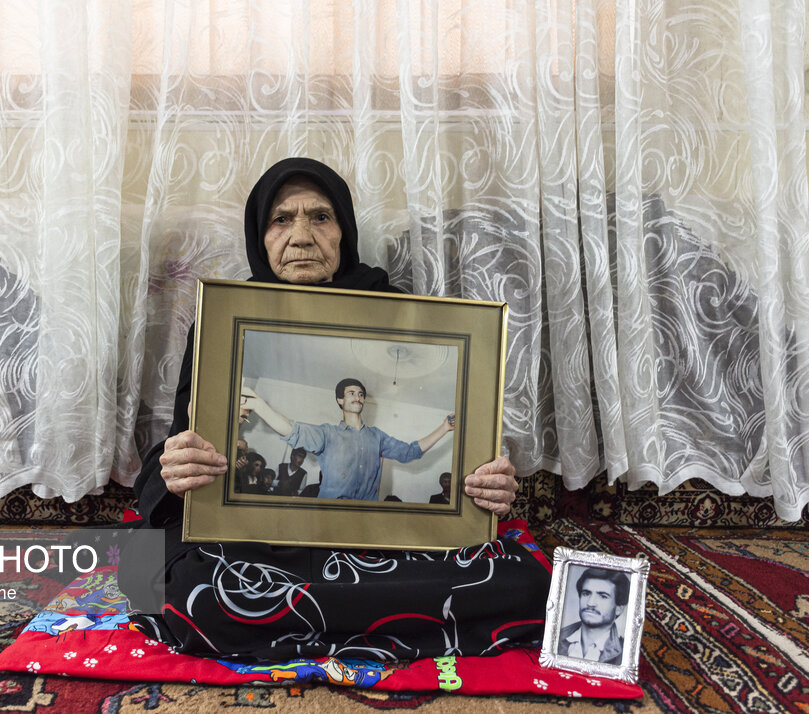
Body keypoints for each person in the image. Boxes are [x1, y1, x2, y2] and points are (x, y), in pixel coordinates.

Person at [120, 157, 550, 661]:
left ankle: (303, 620)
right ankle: (385, 621)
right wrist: (177, 464)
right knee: (168, 584)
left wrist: (487, 481)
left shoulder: (401, 315)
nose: (301, 236)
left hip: (380, 546)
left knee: (527, 586)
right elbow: (199, 439)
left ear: (343, 231)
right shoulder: (225, 323)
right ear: (260, 237)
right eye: (281, 220)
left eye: (320, 217)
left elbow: (414, 452)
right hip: (263, 542)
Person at [241, 379, 453, 501]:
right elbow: (292, 431)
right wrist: (259, 406)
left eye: (361, 394)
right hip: (330, 516)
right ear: (340, 400)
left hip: (367, 518)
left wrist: (445, 427)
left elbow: (410, 452)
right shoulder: (327, 433)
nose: (358, 397)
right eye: (351, 393)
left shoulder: (377, 436)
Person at [556, 567, 629, 665]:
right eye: (586, 594)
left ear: (619, 608)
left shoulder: (626, 653)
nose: (590, 603)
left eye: (603, 596)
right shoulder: (556, 636)